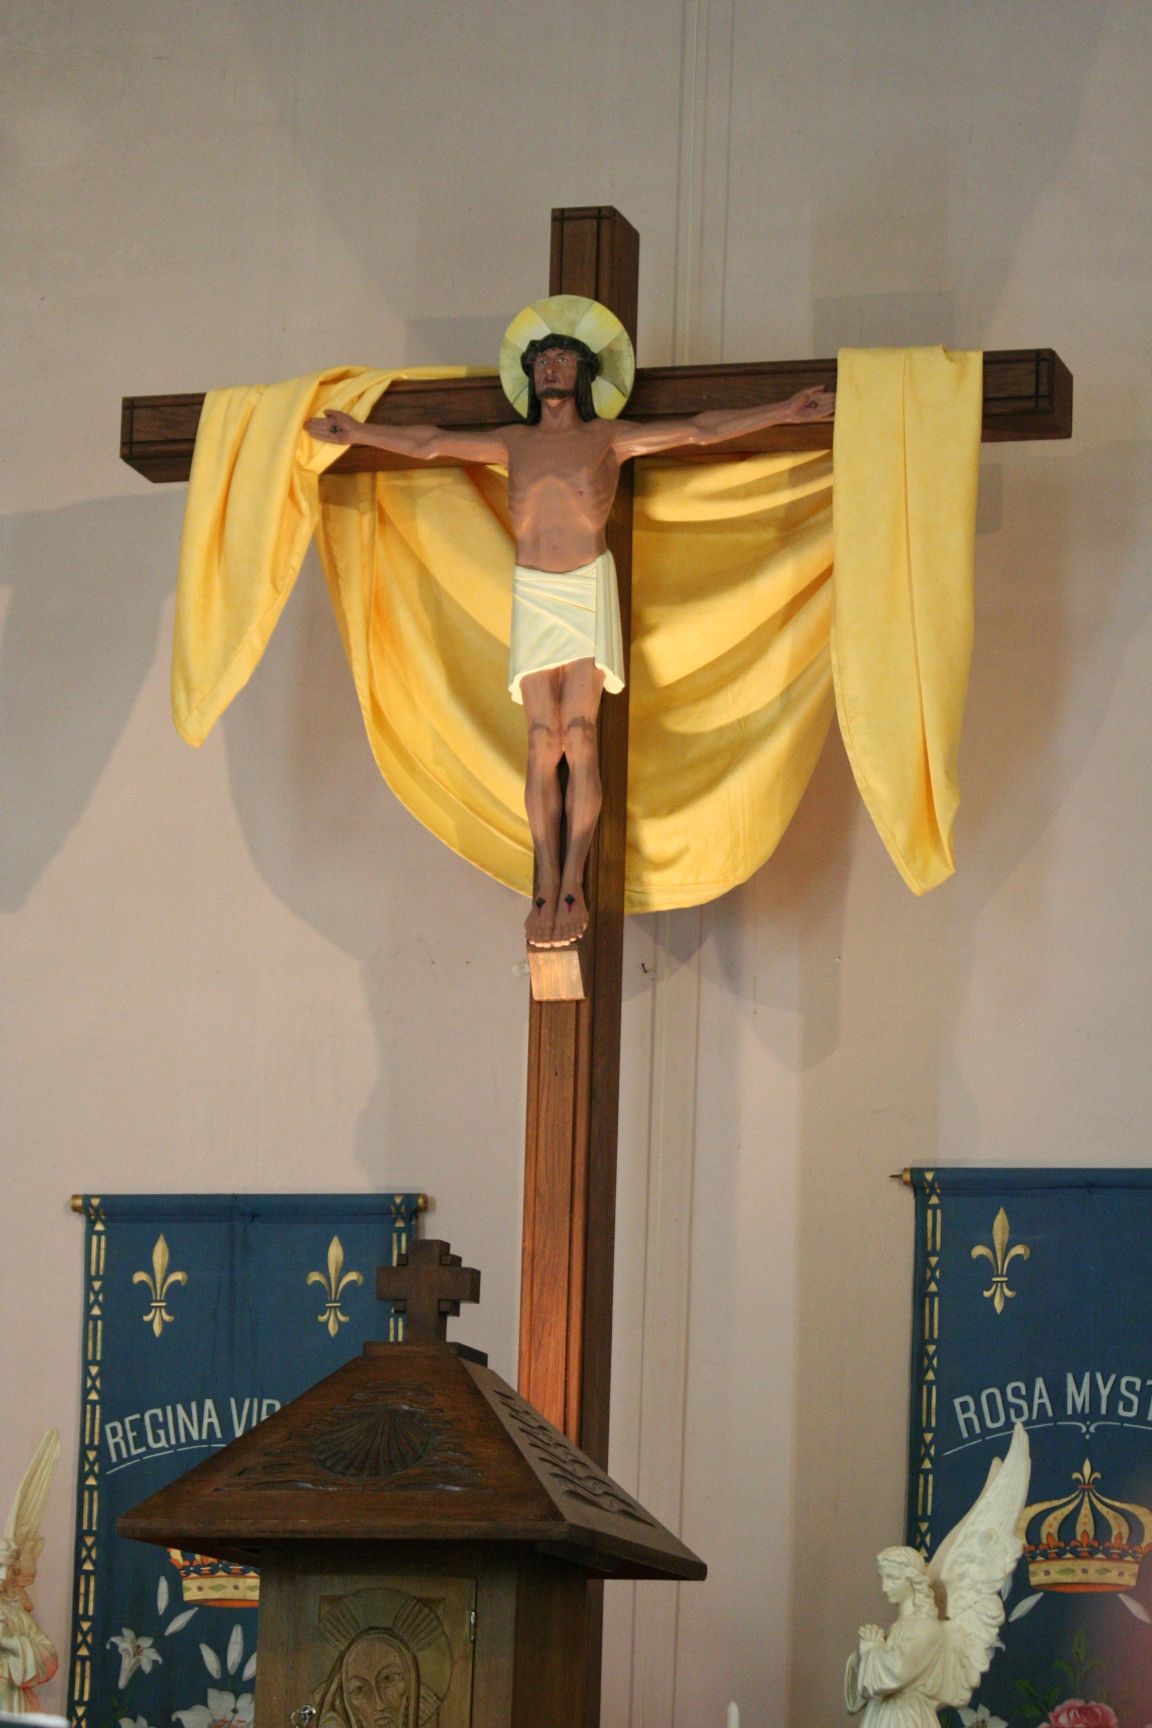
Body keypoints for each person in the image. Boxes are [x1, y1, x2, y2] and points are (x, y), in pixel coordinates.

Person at [307, 299, 834, 947]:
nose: (551, 368)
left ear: (583, 373)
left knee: (579, 734)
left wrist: (782, 411)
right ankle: (545, 881)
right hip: (533, 591)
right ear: (530, 375)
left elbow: (701, 430)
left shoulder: (607, 439)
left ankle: (574, 881)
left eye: (563, 358)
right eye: (542, 360)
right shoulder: (514, 442)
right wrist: (358, 434)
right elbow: (431, 443)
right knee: (541, 739)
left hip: (586, 587)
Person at [0, 1536, 58, 1716]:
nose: (2, 1576)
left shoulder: (16, 1613)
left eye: (9, 1568)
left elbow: (50, 1658)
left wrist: (9, 1644)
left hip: (12, 1704)